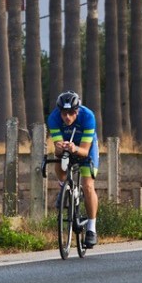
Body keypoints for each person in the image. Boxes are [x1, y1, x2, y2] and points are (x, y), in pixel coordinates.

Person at [47, 91, 99, 248]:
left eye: (71, 113)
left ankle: (91, 229)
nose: (67, 117)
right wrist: (60, 147)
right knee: (58, 158)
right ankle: (65, 188)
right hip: (67, 148)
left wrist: (75, 148)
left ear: (77, 111)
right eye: (64, 113)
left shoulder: (88, 117)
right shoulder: (53, 118)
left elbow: (84, 151)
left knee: (88, 185)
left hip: (85, 149)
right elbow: (57, 150)